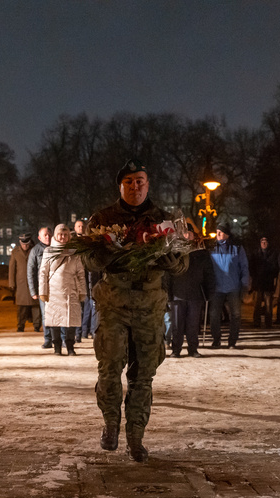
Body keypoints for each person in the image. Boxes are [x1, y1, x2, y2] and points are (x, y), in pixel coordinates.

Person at [85, 158, 187, 463]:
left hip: (149, 308)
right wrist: (105, 254)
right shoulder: (102, 219)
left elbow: (183, 262)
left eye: (140, 181)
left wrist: (171, 260)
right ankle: (110, 424)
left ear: (148, 184)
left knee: (143, 376)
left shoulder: (164, 220)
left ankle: (136, 437)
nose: (135, 186)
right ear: (120, 186)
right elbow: (88, 259)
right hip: (114, 305)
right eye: (128, 181)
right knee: (109, 369)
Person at [39, 224, 86, 355]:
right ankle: (57, 347)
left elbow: (81, 273)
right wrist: (43, 292)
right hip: (53, 292)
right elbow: (43, 273)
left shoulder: (74, 252)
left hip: (71, 291)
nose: (63, 237)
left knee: (71, 321)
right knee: (55, 321)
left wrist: (82, 291)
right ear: (55, 235)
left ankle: (70, 347)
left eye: (65, 235)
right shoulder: (49, 251)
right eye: (60, 234)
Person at [169, 224, 214, 357]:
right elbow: (168, 274)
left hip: (195, 294)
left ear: (194, 235)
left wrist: (209, 292)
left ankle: (193, 349)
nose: (187, 235)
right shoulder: (174, 252)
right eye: (185, 233)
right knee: (177, 325)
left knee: (193, 325)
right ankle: (176, 349)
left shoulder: (201, 253)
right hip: (178, 293)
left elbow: (209, 274)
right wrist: (168, 292)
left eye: (190, 233)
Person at [208, 222, 249, 349]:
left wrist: (244, 283)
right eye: (217, 232)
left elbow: (244, 266)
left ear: (226, 234)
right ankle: (216, 339)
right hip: (217, 287)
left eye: (220, 232)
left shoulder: (237, 248)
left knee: (235, 315)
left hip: (233, 286)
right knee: (214, 315)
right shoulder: (212, 248)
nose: (218, 234)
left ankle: (232, 341)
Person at [28, 226, 54, 348]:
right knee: (45, 315)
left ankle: (59, 338)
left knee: (58, 314)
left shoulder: (57, 248)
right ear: (39, 238)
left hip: (57, 287)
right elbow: (31, 271)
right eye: (45, 235)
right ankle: (48, 339)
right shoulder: (35, 251)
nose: (47, 237)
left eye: (49, 234)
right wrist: (33, 291)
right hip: (43, 288)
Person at [9, 233, 40, 332]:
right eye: (23, 244)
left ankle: (37, 325)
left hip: (34, 283)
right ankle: (20, 325)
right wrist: (12, 283)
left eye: (27, 244)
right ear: (20, 243)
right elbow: (12, 269)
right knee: (21, 307)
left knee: (36, 306)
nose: (25, 246)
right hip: (21, 284)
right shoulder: (15, 252)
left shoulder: (35, 250)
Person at [249, 236, 278, 328]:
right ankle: (256, 322)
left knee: (268, 304)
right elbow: (251, 267)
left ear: (268, 243)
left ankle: (268, 322)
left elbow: (276, 267)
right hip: (258, 283)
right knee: (257, 304)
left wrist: (271, 275)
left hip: (268, 282)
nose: (264, 243)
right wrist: (255, 277)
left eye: (265, 242)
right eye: (262, 242)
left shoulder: (273, 254)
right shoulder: (255, 254)